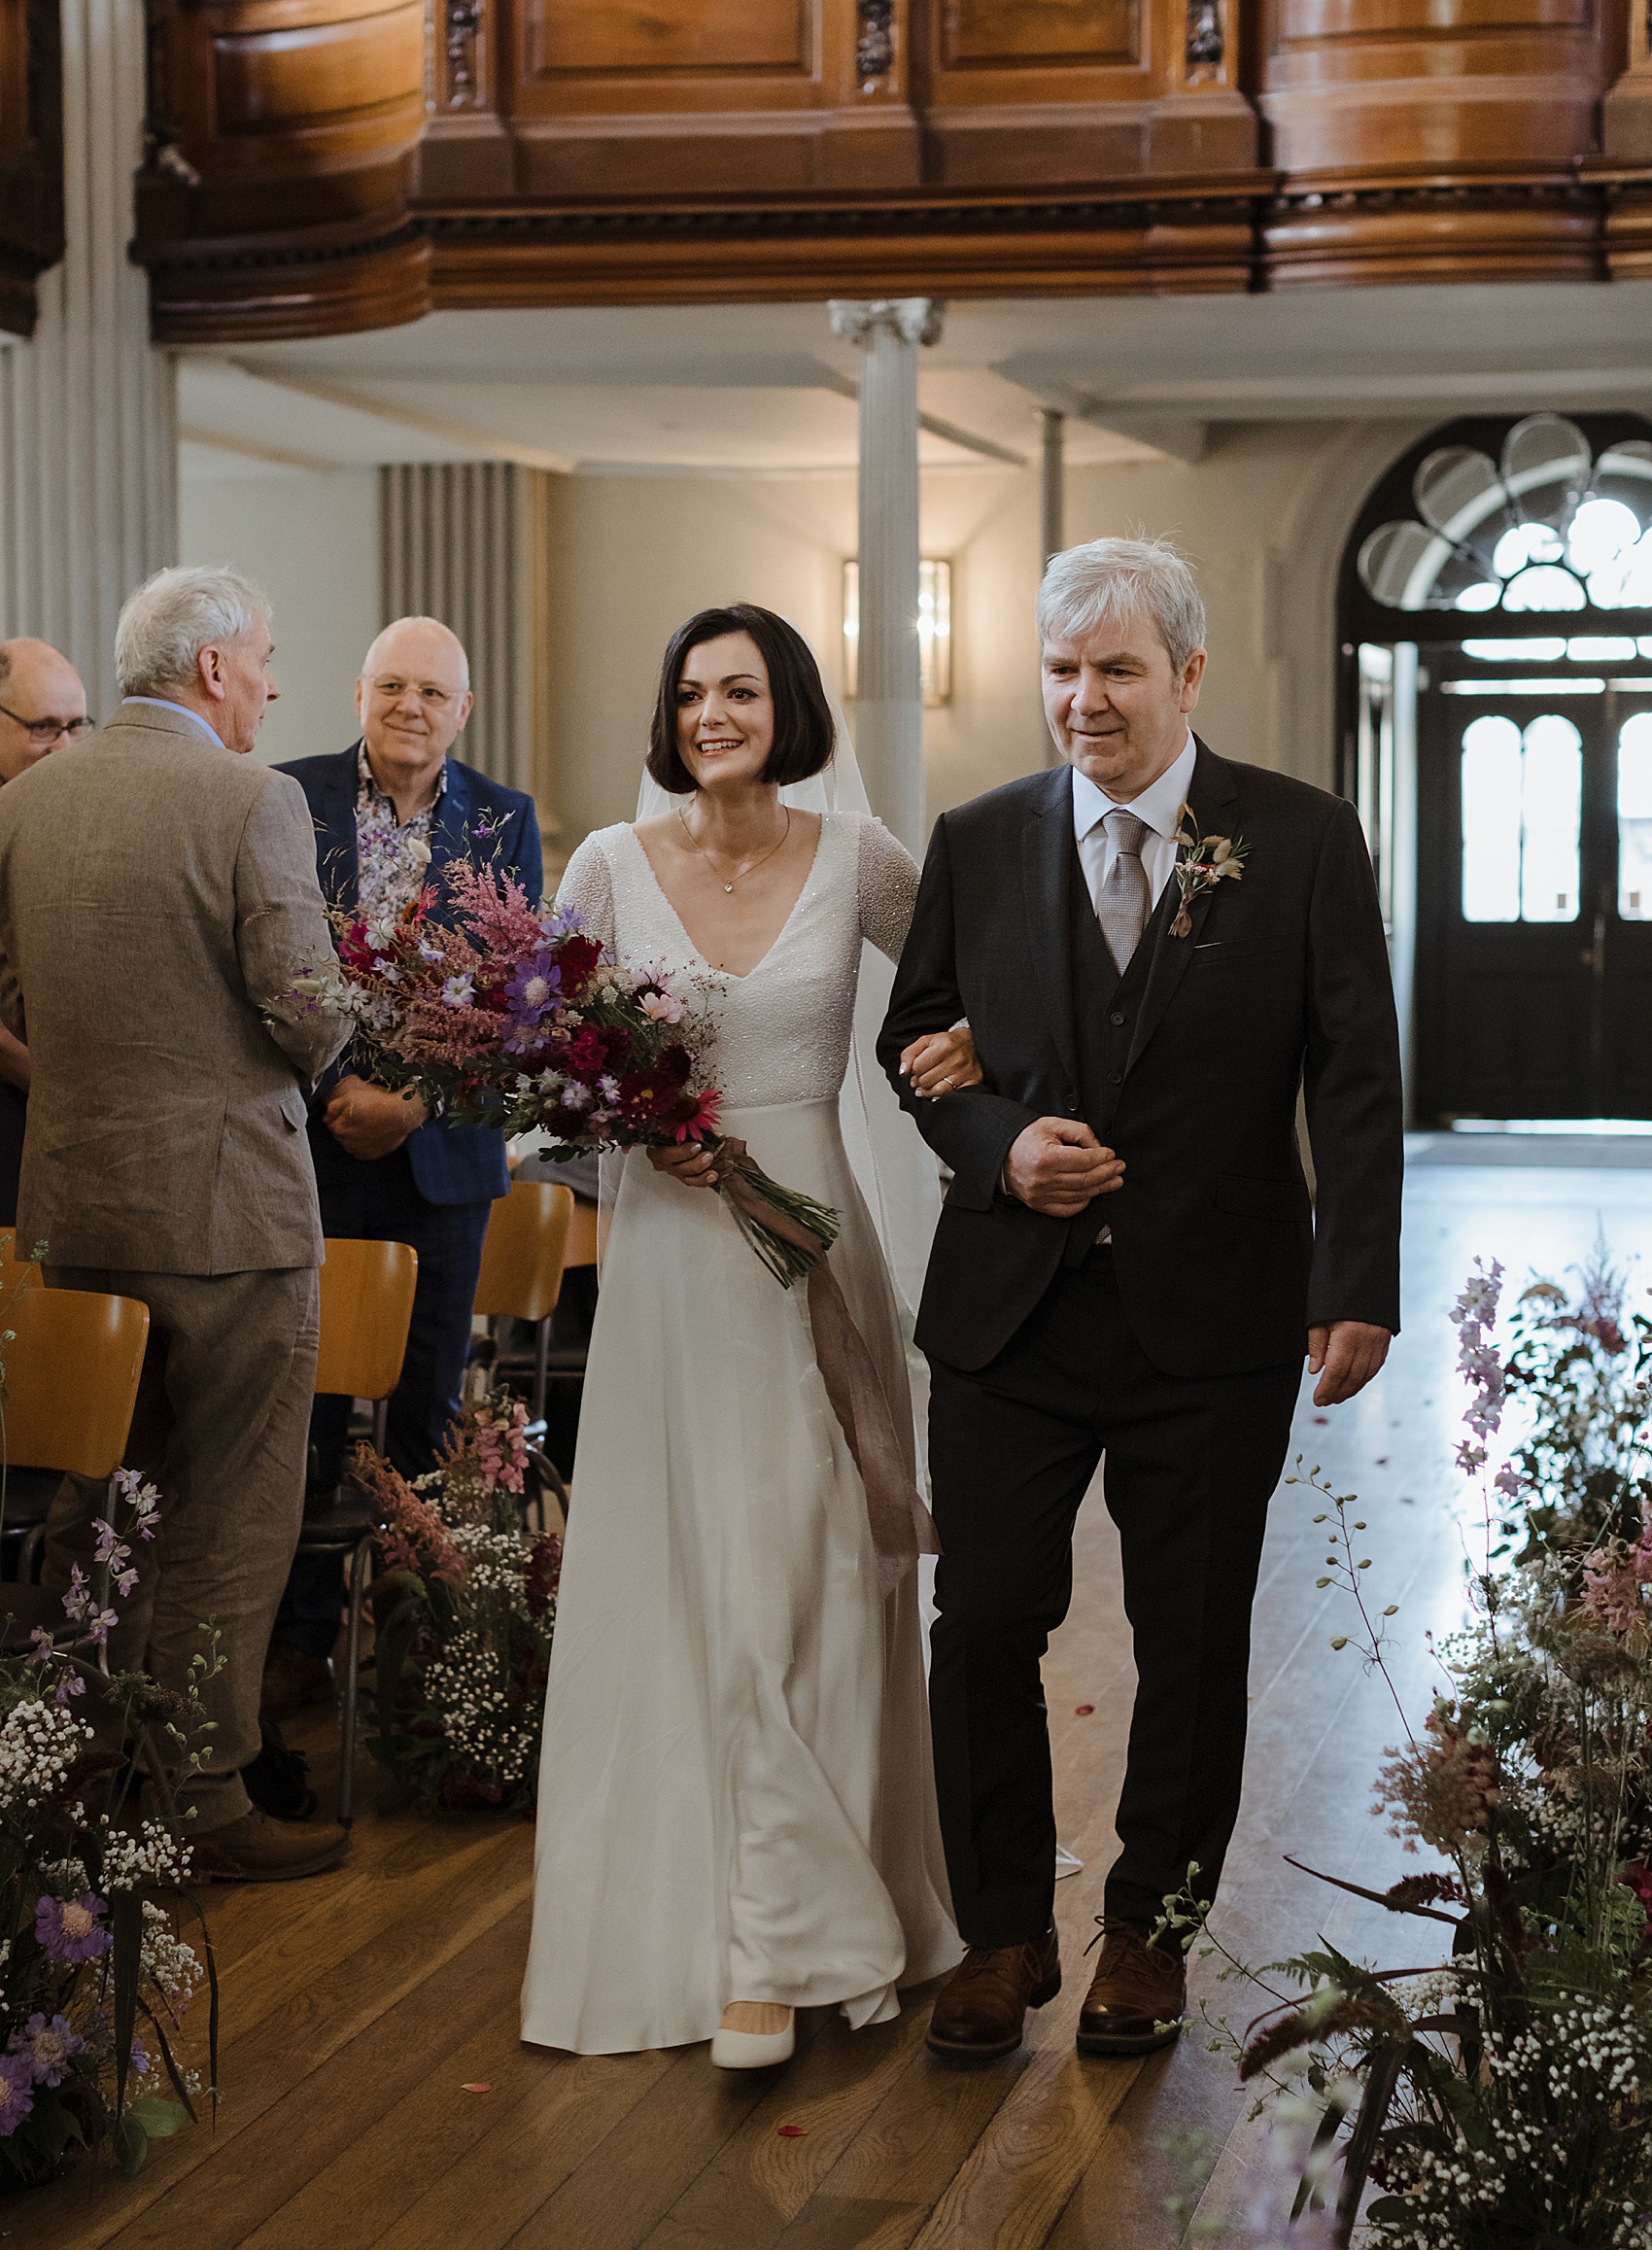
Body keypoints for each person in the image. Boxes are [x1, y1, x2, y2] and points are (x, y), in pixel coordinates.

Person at [879, 536, 1404, 2063]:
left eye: (1115, 670)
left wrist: (1353, 1278)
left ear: (1186, 674)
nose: (1082, 701)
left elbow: (1354, 1073)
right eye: (1060, 670)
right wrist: (996, 1139)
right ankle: (1000, 1932)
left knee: (1189, 1638)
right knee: (979, 1621)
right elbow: (916, 1035)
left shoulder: (1298, 838)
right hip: (1010, 1317)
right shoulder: (978, 839)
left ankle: (1148, 1935)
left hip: (1216, 1317)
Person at [521, 604, 978, 2066]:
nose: (714, 712)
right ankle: (729, 1939)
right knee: (693, 1567)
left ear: (789, 703)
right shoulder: (605, 861)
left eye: (742, 688)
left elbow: (966, 990)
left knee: (806, 1557)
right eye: (692, 692)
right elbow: (536, 1055)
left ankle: (797, 1931)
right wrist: (612, 1124)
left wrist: (970, 1051)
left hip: (811, 1246)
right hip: (668, 1258)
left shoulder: (860, 857)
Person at [0, 566, 353, 1878]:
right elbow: (307, 1005)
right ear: (212, 668)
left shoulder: (29, 801)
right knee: (231, 1503)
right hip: (231, 1214)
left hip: (75, 1205)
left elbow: (9, 989)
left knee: (105, 1495)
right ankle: (199, 1795)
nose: (272, 679)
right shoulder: (253, 797)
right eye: (263, 656)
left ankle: (81, 1762)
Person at [262, 615, 542, 1717]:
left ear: (462, 710)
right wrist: (336, 1089)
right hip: (312, 1149)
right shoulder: (288, 798)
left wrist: (418, 1103)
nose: (409, 707)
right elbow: (268, 961)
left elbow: (521, 995)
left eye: (431, 692)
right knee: (309, 1419)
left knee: (425, 1419)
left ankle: (423, 1645)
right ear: (359, 694)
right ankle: (300, 1641)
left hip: (443, 1162)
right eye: (390, 687)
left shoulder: (503, 820)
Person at [0, 640, 92, 1224]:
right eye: (43, 728)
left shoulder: (84, 816)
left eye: (78, 727)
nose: (64, 749)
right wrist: (44, 1078)